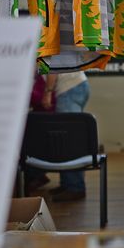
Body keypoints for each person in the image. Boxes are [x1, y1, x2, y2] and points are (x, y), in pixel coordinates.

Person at [43, 71, 91, 202]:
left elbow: (52, 68)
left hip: (68, 89)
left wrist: (47, 92)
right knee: (66, 138)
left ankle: (75, 187)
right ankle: (67, 184)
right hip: (76, 85)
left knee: (68, 141)